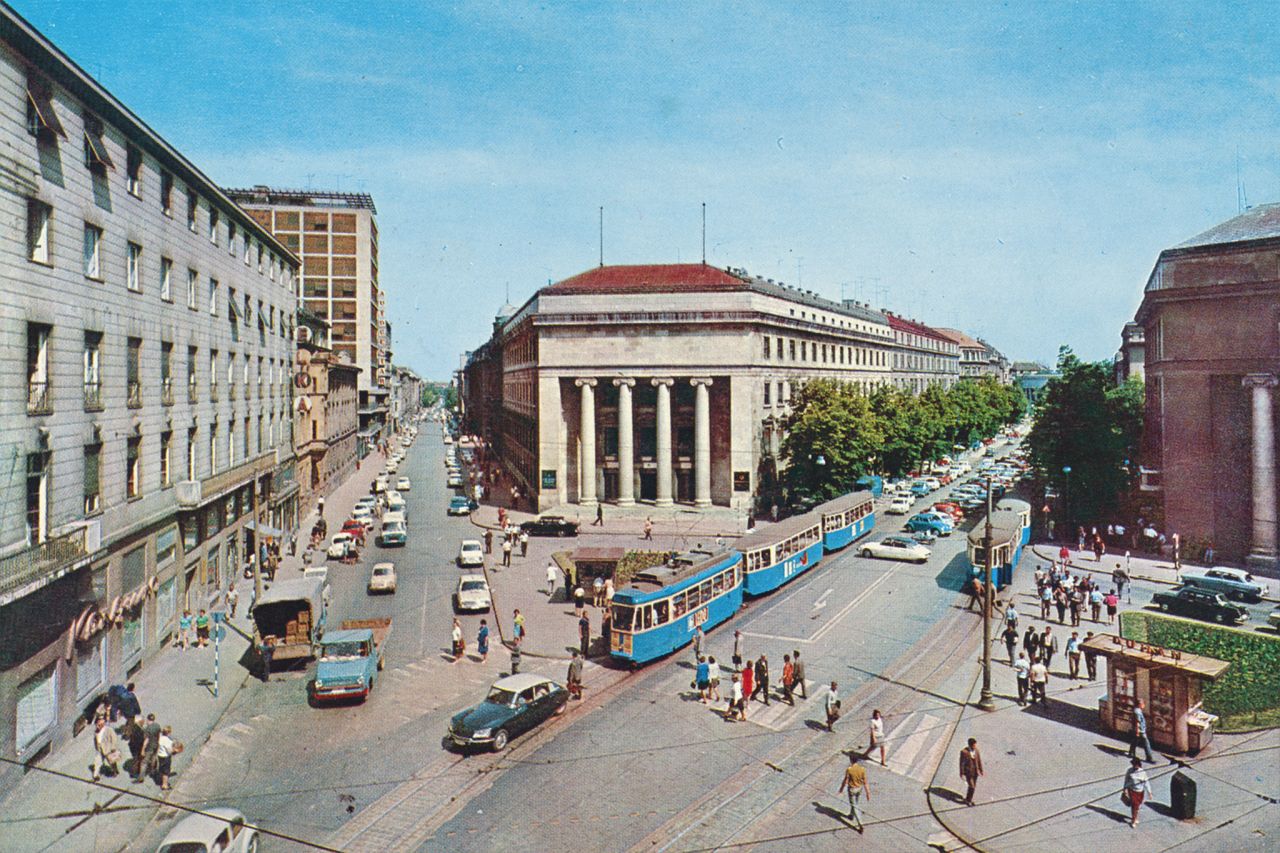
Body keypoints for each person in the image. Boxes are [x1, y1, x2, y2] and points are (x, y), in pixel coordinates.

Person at [838, 752, 870, 832]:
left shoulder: (849, 769)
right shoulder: (862, 769)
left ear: (851, 760)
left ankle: (860, 824)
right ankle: (851, 815)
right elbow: (865, 782)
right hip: (859, 788)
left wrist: (841, 789)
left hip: (852, 789)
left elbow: (845, 781)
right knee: (855, 803)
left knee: (855, 806)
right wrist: (867, 793)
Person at [1123, 757, 1152, 826]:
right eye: (1133, 764)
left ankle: (1135, 817)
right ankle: (1133, 820)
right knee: (1134, 805)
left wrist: (1149, 792)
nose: (1134, 766)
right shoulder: (1129, 770)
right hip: (1132, 791)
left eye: (1136, 764)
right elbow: (1126, 780)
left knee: (1137, 805)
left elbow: (1146, 782)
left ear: (1139, 765)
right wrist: (1125, 788)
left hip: (1140, 791)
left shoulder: (1142, 772)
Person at [92, 717, 120, 781]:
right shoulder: (96, 732)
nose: (99, 726)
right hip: (100, 749)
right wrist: (96, 747)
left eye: (100, 724)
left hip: (108, 749)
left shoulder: (109, 729)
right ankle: (95, 775)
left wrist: (113, 747)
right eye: (98, 725)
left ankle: (115, 771)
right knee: (97, 762)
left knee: (111, 761)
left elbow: (114, 738)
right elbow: (95, 740)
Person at [137, 714, 161, 784]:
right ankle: (152, 771)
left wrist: (142, 750)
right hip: (155, 746)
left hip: (149, 748)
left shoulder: (147, 729)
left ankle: (141, 777)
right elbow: (159, 736)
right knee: (153, 759)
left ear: (148, 720)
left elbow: (146, 740)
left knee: (144, 762)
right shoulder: (157, 726)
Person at [960, 738, 984, 806]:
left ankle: (969, 799)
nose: (975, 747)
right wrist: (961, 773)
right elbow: (962, 763)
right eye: (974, 745)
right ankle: (968, 800)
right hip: (968, 772)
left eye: (975, 745)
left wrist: (981, 770)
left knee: (973, 786)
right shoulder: (964, 752)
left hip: (975, 772)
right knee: (972, 786)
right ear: (970, 745)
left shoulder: (976, 750)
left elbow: (979, 760)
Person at [156, 726, 175, 791]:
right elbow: (169, 751)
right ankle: (165, 785)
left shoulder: (160, 738)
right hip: (166, 757)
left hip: (160, 755)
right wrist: (174, 750)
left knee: (162, 768)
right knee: (166, 772)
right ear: (168, 733)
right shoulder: (167, 741)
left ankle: (161, 779)